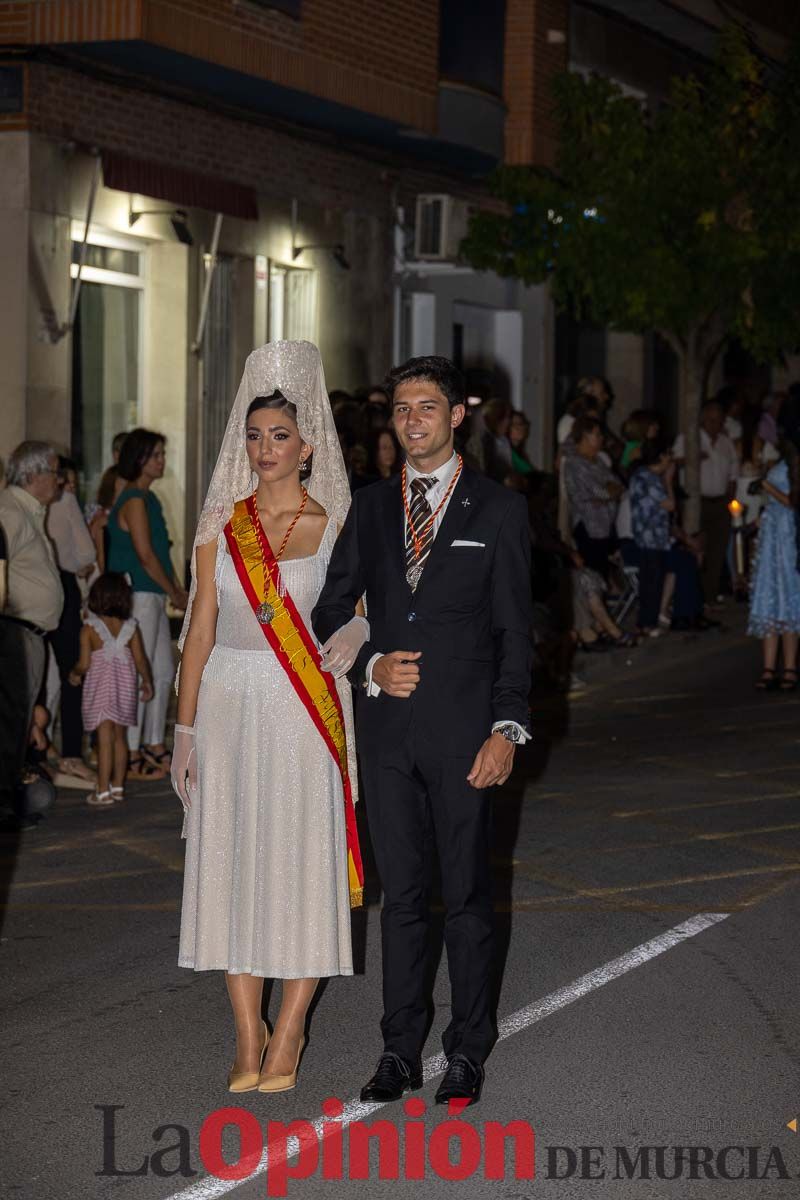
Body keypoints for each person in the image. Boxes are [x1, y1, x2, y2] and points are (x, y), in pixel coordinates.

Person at [313, 354, 532, 1108]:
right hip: (388, 735)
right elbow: (331, 608)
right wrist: (371, 666)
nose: (411, 421)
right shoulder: (369, 507)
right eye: (401, 409)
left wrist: (507, 727)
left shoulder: (497, 510)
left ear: (456, 415)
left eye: (427, 408)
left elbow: (514, 632)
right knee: (401, 898)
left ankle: (468, 1049)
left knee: (467, 896)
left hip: (467, 733)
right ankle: (397, 1049)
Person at [173, 340, 364, 1095]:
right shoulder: (224, 524)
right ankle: (246, 1032)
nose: (264, 450)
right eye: (253, 436)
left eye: (279, 436)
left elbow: (371, 612)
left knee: (302, 866)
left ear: (308, 443)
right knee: (232, 863)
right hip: (228, 701)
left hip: (306, 709)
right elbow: (201, 630)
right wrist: (183, 731)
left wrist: (359, 629)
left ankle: (291, 1028)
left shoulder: (339, 523)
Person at [107, 429, 188, 777]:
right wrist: (174, 591)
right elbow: (144, 554)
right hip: (138, 592)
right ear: (139, 459)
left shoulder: (147, 498)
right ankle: (136, 747)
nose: (161, 461)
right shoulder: (134, 500)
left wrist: (175, 588)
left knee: (162, 670)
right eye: (155, 455)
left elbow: (160, 551)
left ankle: (152, 742)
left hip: (150, 592)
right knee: (142, 670)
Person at [0, 442, 64, 814]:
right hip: (13, 633)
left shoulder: (27, 511)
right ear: (34, 474)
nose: (59, 480)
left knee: (18, 721)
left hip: (29, 635)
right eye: (55, 472)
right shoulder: (9, 510)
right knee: (10, 722)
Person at [69, 573, 154, 806]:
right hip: (123, 691)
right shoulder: (130, 628)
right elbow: (140, 660)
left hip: (100, 691)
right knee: (120, 739)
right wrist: (146, 681)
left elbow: (84, 664)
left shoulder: (89, 629)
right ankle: (118, 786)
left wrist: (75, 673)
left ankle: (102, 790)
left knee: (104, 739)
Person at [46, 457, 98, 784]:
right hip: (63, 588)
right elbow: (86, 554)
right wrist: (79, 566)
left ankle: (42, 752)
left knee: (43, 678)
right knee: (73, 673)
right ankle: (70, 756)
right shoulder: (64, 502)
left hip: (34, 593)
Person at [673, 401, 738, 606]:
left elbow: (733, 474)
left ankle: (709, 597)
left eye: (719, 421)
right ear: (702, 419)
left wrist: (730, 499)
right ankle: (693, 597)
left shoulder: (726, 443)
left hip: (720, 503)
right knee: (696, 549)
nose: (715, 425)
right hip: (696, 502)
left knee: (717, 552)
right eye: (711, 420)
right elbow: (672, 463)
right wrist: (691, 459)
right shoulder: (688, 439)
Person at [747, 442, 800, 691]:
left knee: (789, 599)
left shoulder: (796, 465)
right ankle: (769, 667)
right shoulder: (780, 463)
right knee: (769, 597)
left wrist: (766, 486)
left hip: (789, 535)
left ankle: (789, 667)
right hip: (773, 535)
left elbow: (792, 501)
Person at [562, 415, 623, 578]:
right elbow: (597, 491)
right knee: (593, 573)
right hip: (589, 525)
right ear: (584, 436)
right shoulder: (574, 463)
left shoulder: (598, 461)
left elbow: (617, 485)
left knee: (604, 570)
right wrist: (607, 492)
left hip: (606, 524)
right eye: (597, 434)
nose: (601, 438)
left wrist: (608, 492)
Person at [629, 440, 676, 636]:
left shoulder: (641, 475)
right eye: (668, 454)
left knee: (650, 581)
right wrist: (669, 480)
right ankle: (647, 623)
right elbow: (670, 505)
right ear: (661, 457)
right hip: (651, 538)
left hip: (650, 537)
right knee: (652, 582)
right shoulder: (649, 478)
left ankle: (647, 622)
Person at [509, 410, 535, 477]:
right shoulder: (508, 452)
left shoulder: (521, 452)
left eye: (520, 424)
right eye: (514, 424)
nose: (519, 428)